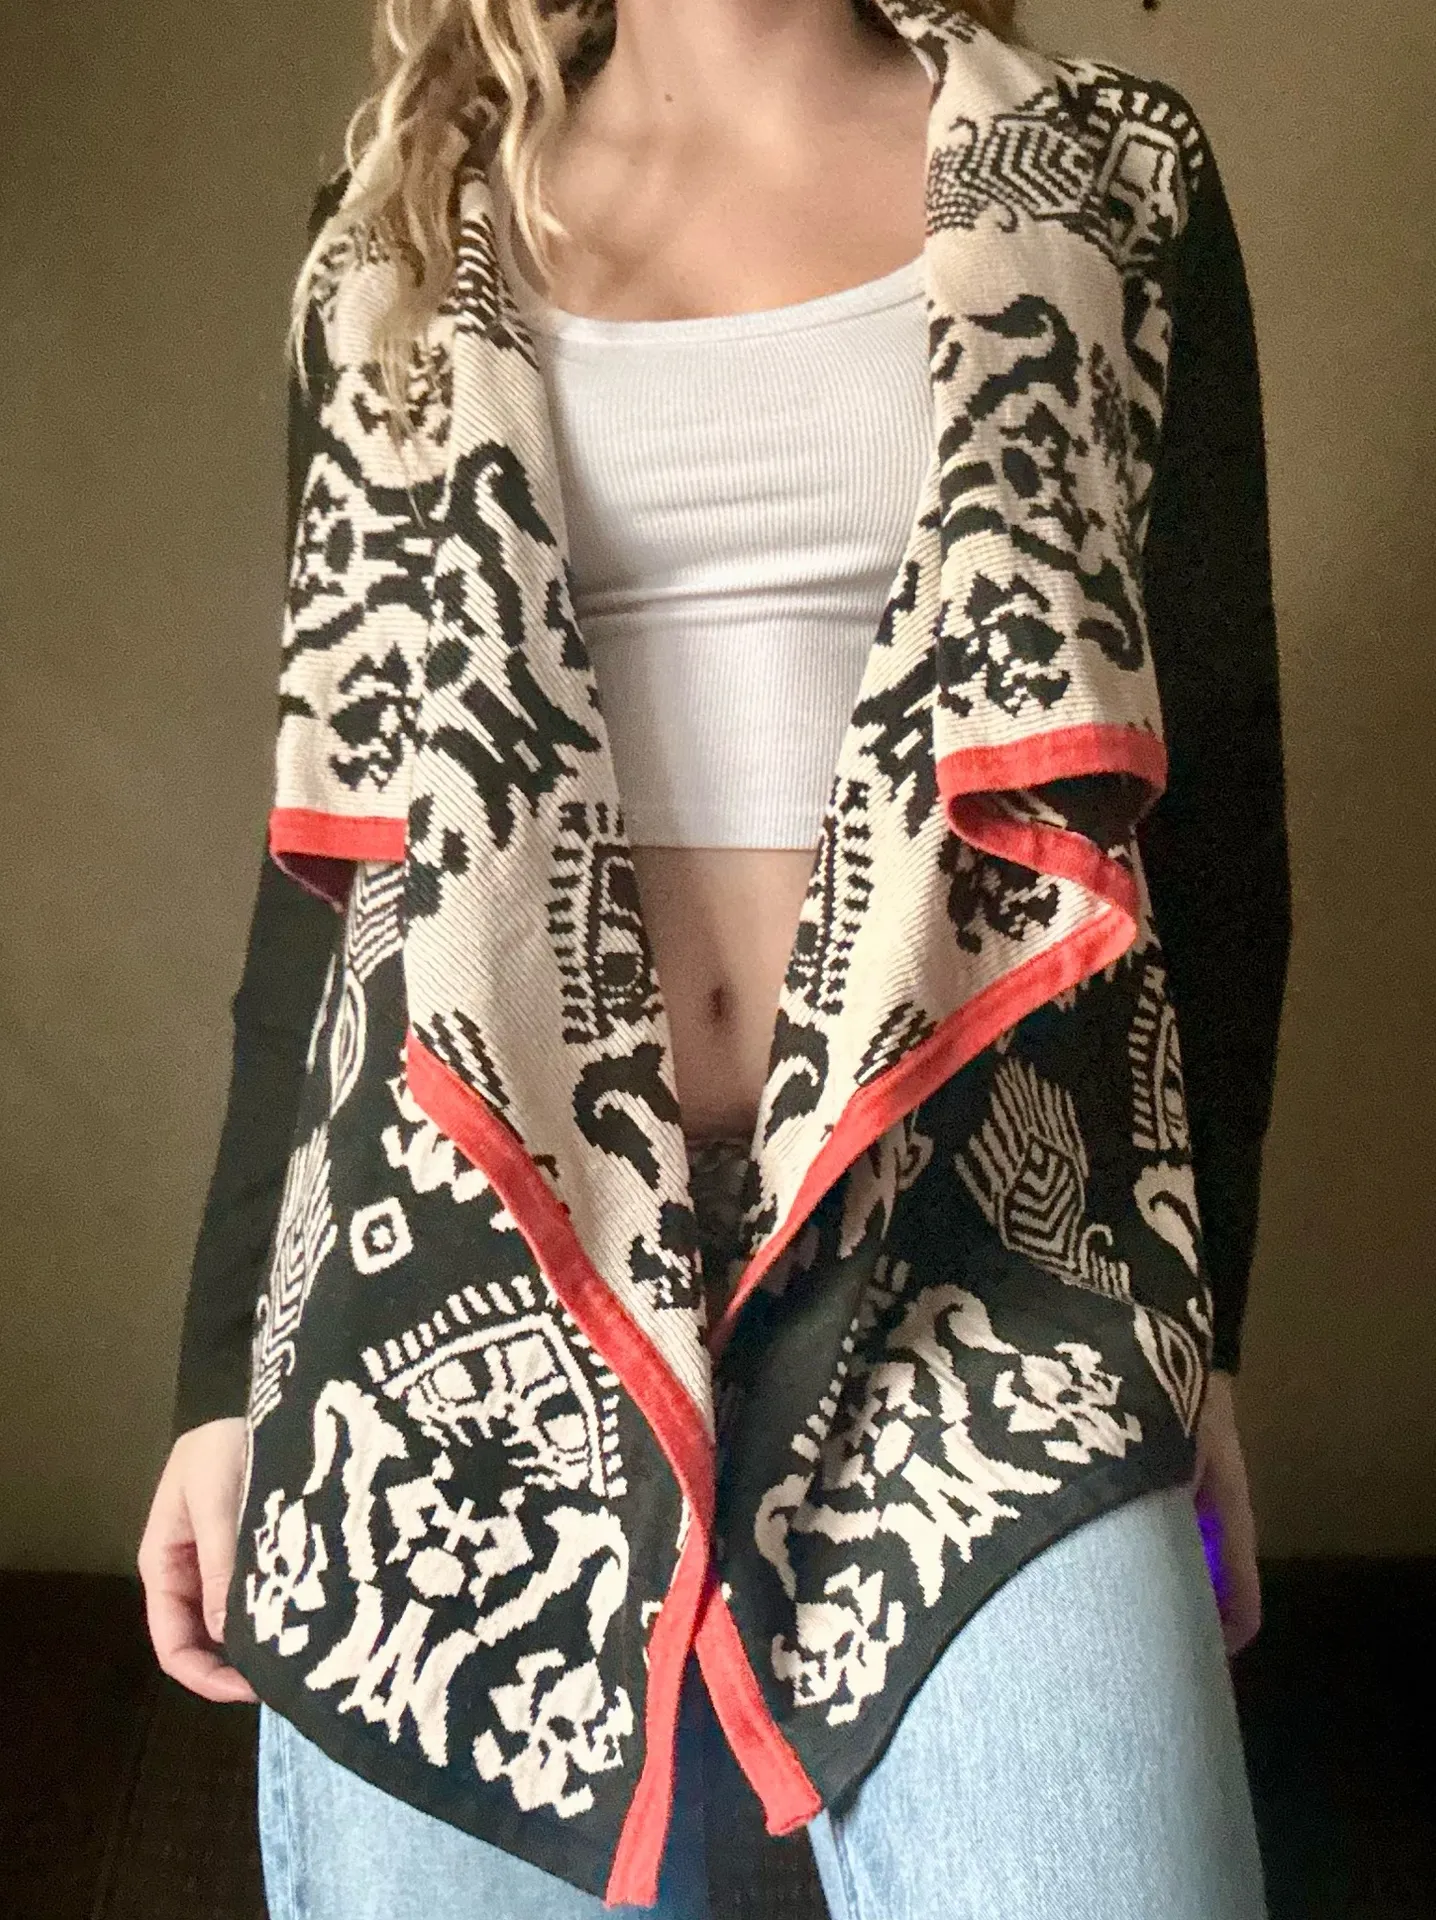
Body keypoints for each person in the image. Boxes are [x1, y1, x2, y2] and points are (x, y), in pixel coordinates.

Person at [137, 0, 1291, 1913]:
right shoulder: (399, 226)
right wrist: (219, 1379)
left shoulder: (1109, 172)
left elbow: (1214, 804)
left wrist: (1205, 1333)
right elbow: (337, 858)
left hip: (991, 1261)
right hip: (457, 1292)